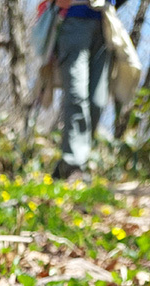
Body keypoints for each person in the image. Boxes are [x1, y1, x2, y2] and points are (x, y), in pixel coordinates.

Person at [53, 0, 130, 179]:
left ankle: (67, 165)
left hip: (104, 25)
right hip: (73, 22)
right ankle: (73, 165)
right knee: (77, 95)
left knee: (98, 101)